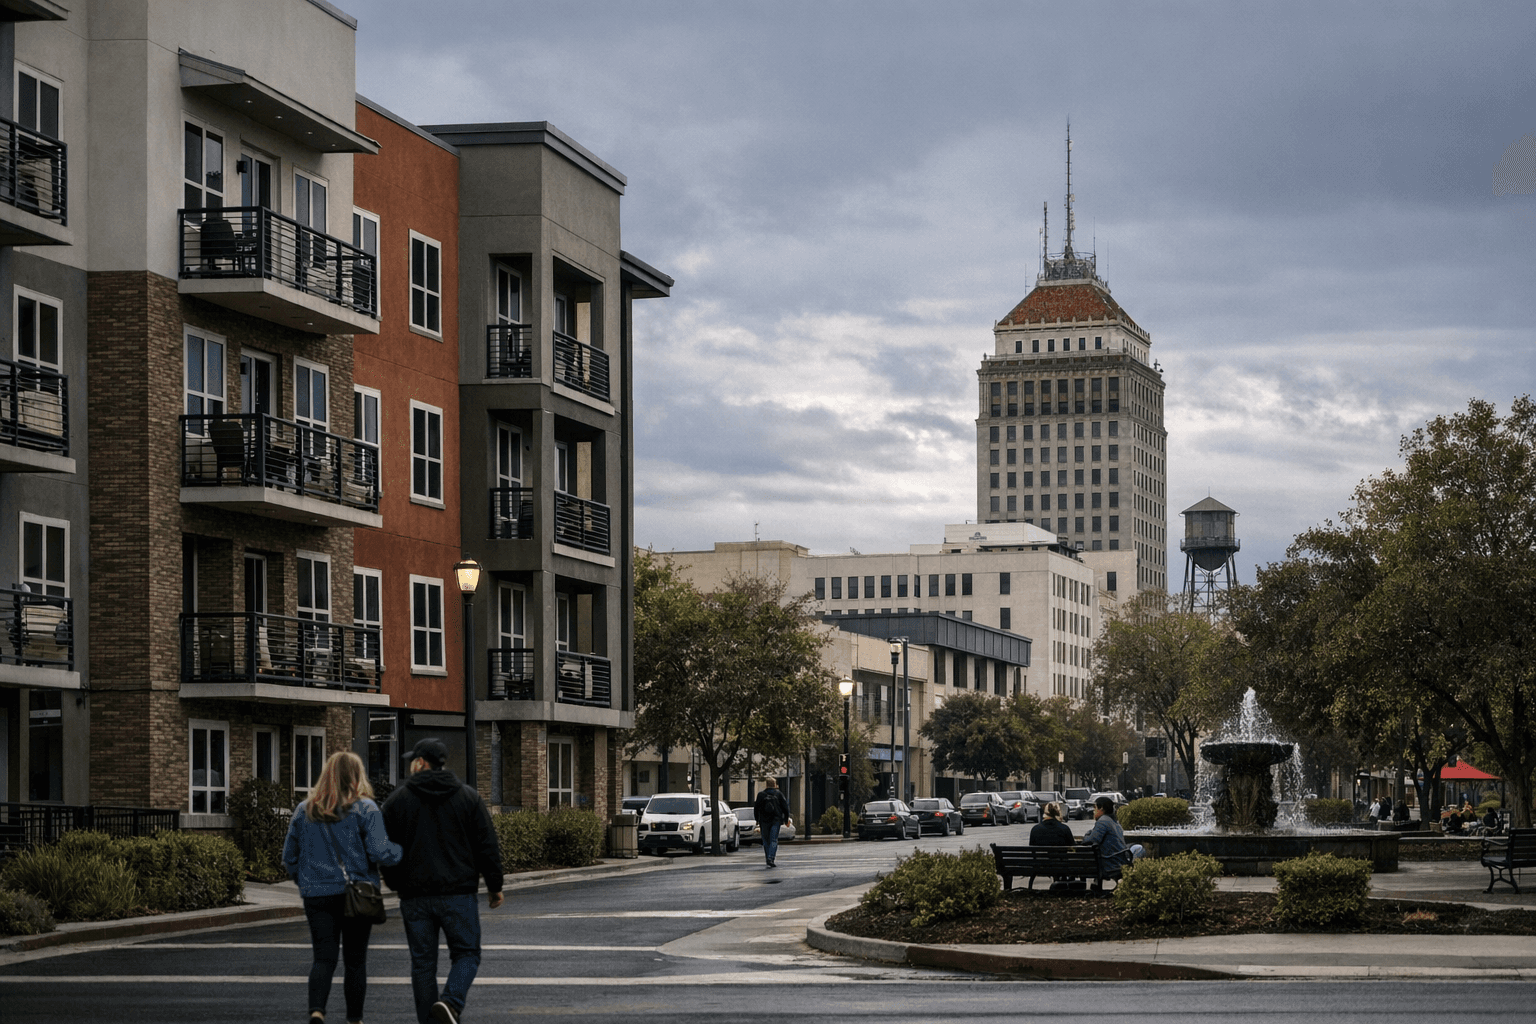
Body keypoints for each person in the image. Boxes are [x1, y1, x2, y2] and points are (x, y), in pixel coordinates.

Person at [382, 738, 504, 1024]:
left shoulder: (397, 801)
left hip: (414, 897)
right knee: (467, 953)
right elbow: (486, 845)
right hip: (457, 894)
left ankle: (430, 1020)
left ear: (422, 763)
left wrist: (394, 881)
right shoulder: (468, 798)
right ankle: (451, 1002)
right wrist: (494, 885)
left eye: (413, 759)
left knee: (423, 964)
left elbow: (383, 847)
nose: (410, 764)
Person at [283, 750, 403, 1024]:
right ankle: (355, 1019)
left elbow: (289, 855)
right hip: (357, 893)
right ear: (356, 777)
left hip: (317, 894)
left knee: (323, 958)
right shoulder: (366, 809)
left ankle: (317, 1011)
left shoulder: (305, 809)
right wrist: (401, 852)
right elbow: (379, 852)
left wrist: (303, 879)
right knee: (355, 961)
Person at [1080, 796, 1142, 888]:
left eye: (1095, 808)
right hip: (1118, 859)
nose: (1093, 811)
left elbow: (1091, 840)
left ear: (1101, 808)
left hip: (1111, 862)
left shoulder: (1103, 821)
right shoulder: (1114, 822)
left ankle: (1095, 884)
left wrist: (1086, 835)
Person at [752, 779, 791, 868]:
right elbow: (785, 807)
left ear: (766, 785)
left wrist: (757, 819)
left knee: (766, 840)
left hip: (764, 821)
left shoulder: (761, 795)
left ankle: (767, 858)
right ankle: (771, 857)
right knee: (774, 839)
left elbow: (756, 808)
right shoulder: (779, 794)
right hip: (776, 820)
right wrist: (786, 819)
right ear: (775, 785)